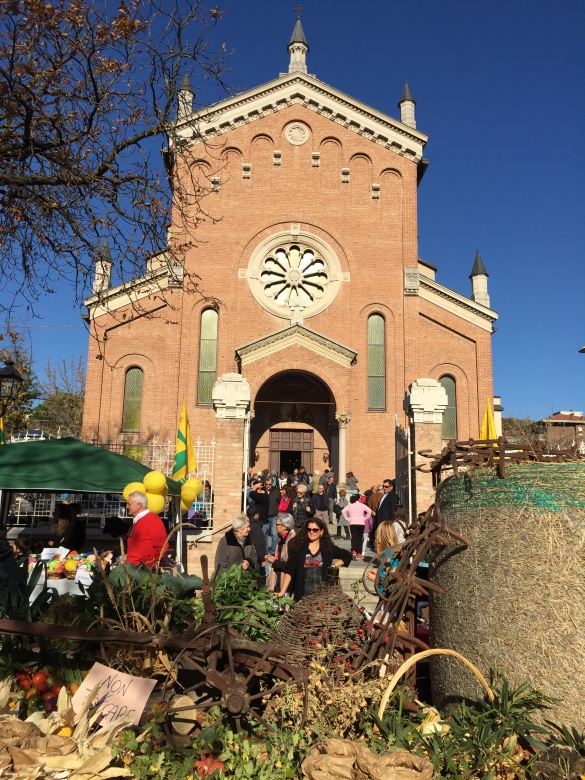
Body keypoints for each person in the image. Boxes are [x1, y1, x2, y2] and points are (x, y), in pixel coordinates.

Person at [275, 517, 352, 600]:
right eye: (309, 529)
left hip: (322, 597)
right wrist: (282, 592)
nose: (311, 532)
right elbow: (289, 571)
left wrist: (333, 566)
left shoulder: (327, 548)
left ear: (321, 532)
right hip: (302, 596)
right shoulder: (298, 548)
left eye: (315, 530)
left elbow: (347, 555)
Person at [125, 491, 169, 568]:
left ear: (139, 505)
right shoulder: (140, 520)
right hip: (134, 570)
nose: (127, 506)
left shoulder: (152, 520)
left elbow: (162, 547)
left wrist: (147, 566)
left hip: (142, 572)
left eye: (129, 504)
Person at [265, 513, 296, 595]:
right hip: (279, 576)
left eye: (277, 524)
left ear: (285, 526)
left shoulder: (292, 541)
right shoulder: (281, 539)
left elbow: (291, 566)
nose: (275, 526)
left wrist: (275, 562)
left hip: (288, 582)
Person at [366, 521, 399, 595]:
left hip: (387, 594)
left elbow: (392, 578)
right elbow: (386, 571)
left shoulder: (389, 554)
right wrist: (378, 573)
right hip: (385, 593)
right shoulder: (391, 551)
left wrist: (375, 579)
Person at [341, 494, 372, 560]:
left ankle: (354, 550)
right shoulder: (362, 505)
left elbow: (343, 511)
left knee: (354, 537)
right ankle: (359, 553)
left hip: (353, 522)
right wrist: (365, 518)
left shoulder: (351, 505)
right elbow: (369, 511)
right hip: (361, 522)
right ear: (358, 499)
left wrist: (348, 518)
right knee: (360, 538)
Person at [263, 476, 281, 556]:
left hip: (273, 516)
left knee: (274, 534)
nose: (268, 486)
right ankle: (266, 551)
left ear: (272, 484)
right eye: (266, 484)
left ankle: (273, 551)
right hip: (264, 516)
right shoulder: (262, 491)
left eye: (269, 484)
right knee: (264, 533)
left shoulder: (276, 491)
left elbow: (281, 502)